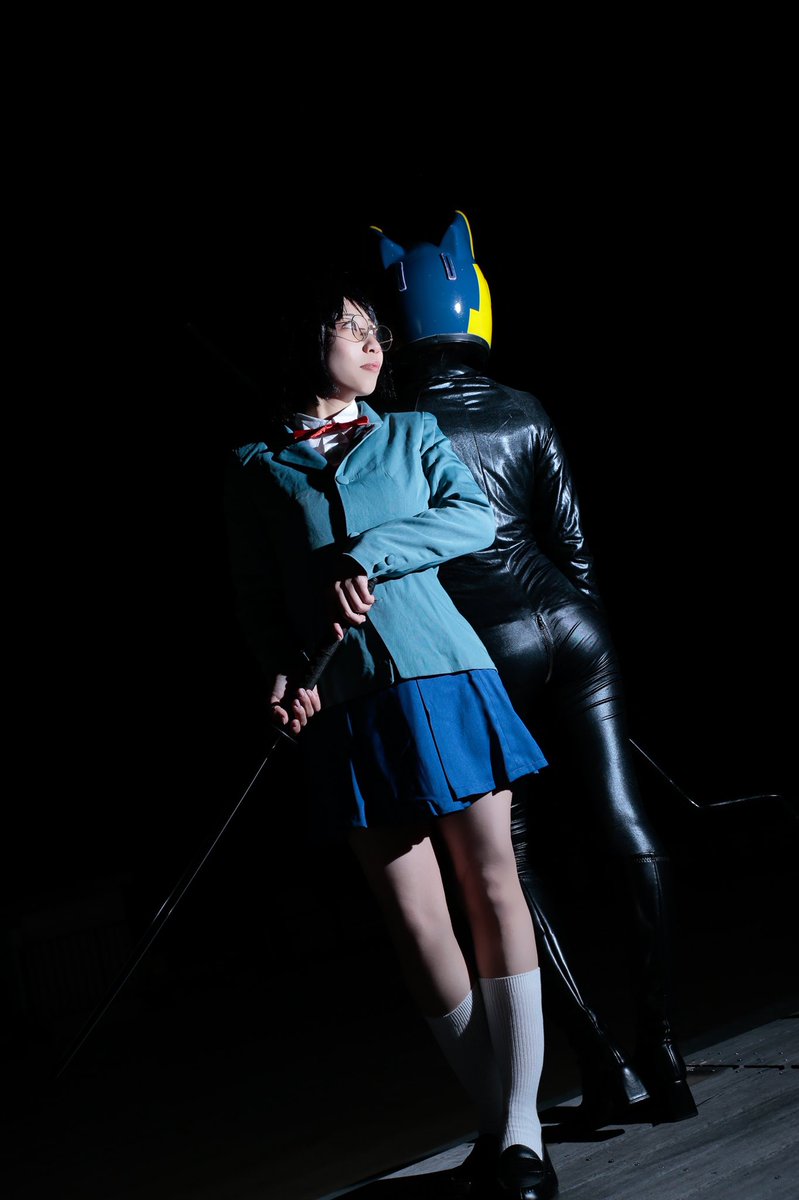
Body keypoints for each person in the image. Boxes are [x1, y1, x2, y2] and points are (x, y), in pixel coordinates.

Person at [223, 275, 560, 1199]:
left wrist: (367, 552)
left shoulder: (412, 434)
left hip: (444, 673)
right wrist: (283, 676)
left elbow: (472, 516)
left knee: (490, 883)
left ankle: (520, 1133)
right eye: (351, 328)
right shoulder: (254, 465)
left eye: (377, 330)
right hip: (346, 701)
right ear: (306, 341)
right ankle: (497, 1123)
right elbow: (257, 598)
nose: (373, 344)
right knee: (414, 915)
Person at [367, 210, 699, 1129]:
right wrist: (589, 661)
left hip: (486, 646)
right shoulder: (525, 407)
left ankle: (599, 1060)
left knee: (503, 861)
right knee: (622, 817)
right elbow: (575, 549)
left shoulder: (390, 428)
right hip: (574, 625)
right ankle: (662, 1051)